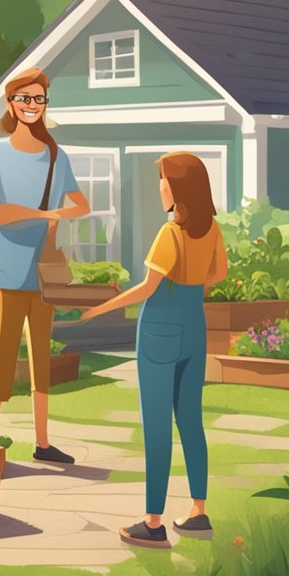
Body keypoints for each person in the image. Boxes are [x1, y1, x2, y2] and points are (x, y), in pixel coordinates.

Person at [81, 152, 228, 547]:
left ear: (178, 187)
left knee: (157, 427)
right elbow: (219, 273)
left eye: (163, 180)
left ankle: (153, 521)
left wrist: (100, 309)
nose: (160, 186)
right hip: (193, 325)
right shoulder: (210, 229)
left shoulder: (171, 233)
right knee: (191, 423)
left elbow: (146, 288)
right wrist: (192, 287)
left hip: (159, 328)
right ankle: (199, 512)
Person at [0, 67, 91, 464]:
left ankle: (43, 443)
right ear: (11, 103)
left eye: (38, 99)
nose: (31, 106)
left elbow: (82, 204)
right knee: (2, 357)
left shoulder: (56, 157)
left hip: (44, 272)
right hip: (8, 272)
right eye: (24, 98)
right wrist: (42, 216)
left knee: (41, 358)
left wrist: (57, 213)